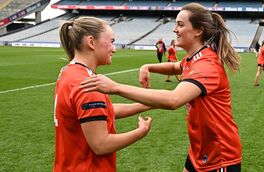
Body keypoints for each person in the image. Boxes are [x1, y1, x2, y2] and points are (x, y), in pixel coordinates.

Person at [80, 3, 242, 172]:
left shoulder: (206, 65)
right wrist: (147, 66)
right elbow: (174, 67)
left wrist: (116, 87)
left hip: (220, 154)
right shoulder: (193, 59)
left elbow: (173, 100)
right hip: (200, 149)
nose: (175, 29)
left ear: (198, 30)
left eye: (180, 24)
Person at [53, 16, 152, 172]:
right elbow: (101, 144)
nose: (114, 48)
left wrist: (145, 104)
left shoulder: (68, 72)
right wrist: (141, 132)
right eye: (111, 41)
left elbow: (102, 112)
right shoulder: (88, 85)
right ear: (91, 42)